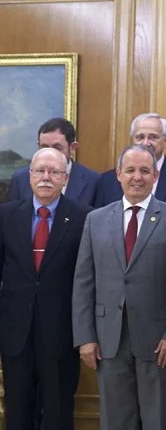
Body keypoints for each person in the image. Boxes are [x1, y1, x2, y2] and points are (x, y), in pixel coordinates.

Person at [72, 145, 166, 430]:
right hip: (109, 341)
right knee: (116, 422)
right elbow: (84, 282)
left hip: (159, 342)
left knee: (159, 421)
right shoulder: (96, 220)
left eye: (145, 171)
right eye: (130, 170)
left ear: (155, 175)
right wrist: (85, 337)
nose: (137, 177)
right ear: (118, 174)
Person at [0, 148, 92, 430]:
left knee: (57, 413)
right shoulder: (5, 216)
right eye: (39, 171)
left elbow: (88, 279)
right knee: (17, 413)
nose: (46, 177)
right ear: (29, 176)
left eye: (54, 172)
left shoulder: (85, 218)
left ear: (65, 178)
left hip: (61, 336)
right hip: (16, 334)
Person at [93, 113, 166, 207]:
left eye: (153, 137)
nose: (146, 143)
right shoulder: (108, 180)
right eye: (140, 137)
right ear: (132, 139)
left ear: (165, 141)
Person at [8, 117, 99, 206]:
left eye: (57, 148)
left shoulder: (93, 181)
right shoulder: (20, 178)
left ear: (72, 148)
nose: (50, 153)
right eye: (44, 147)